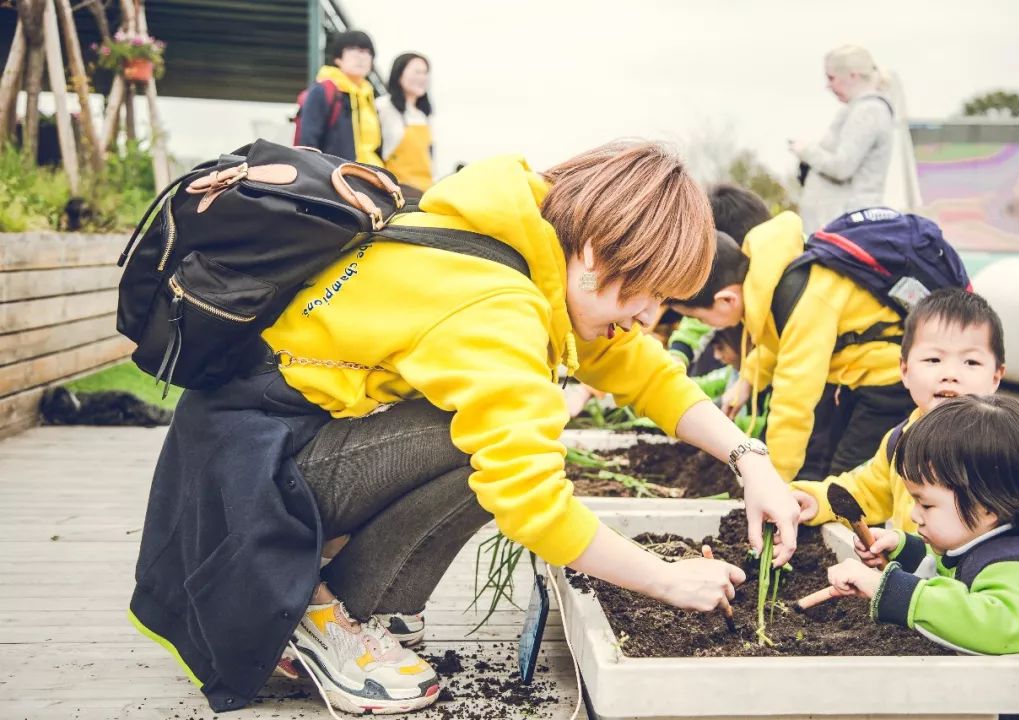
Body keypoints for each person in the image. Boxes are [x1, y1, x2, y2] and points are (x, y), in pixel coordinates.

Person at [130, 141, 801, 717]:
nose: (648, 317)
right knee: (482, 444)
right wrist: (664, 579)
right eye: (645, 294)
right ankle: (320, 613)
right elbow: (532, 503)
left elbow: (637, 368)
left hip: (256, 444)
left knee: (489, 434)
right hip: (251, 474)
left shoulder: (525, 242)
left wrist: (749, 458)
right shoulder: (497, 306)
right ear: (595, 252)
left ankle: (365, 605)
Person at [826, 394, 1019, 720]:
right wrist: (905, 550)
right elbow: (956, 572)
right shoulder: (998, 539)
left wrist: (888, 590)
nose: (915, 516)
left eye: (926, 504)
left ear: (988, 505)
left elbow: (990, 623)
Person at [669, 185, 915, 482]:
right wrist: (746, 381)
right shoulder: (769, 280)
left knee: (847, 476)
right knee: (822, 469)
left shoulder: (800, 300)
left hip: (885, 380)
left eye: (698, 317)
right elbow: (777, 344)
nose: (705, 326)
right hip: (853, 378)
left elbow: (792, 403)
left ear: (726, 300)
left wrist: (772, 480)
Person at [791, 288, 1019, 532]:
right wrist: (817, 499)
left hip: (976, 590)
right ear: (904, 370)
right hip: (917, 581)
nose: (950, 373)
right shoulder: (900, 438)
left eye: (971, 363)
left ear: (996, 376)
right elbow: (866, 490)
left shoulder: (997, 440)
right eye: (932, 359)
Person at [790, 44, 894, 232]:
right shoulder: (860, 110)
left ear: (853, 75)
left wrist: (806, 151)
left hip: (846, 229)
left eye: (831, 78)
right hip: (840, 227)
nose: (828, 86)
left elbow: (842, 167)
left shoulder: (868, 111)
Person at [297, 30, 383, 166]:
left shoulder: (368, 97)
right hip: (333, 177)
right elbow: (307, 144)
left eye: (366, 52)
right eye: (352, 49)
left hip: (368, 176)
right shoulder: (323, 90)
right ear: (338, 58)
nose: (361, 57)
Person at [377, 52, 435, 193]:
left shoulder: (424, 115)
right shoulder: (382, 107)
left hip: (425, 192)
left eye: (425, 72)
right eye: (416, 72)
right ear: (399, 74)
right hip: (394, 192)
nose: (422, 77)